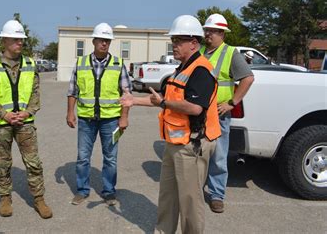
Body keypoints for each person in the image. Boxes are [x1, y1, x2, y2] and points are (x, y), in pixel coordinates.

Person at [120, 15, 221, 234]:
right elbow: (162, 98)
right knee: (168, 197)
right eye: (173, 39)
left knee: (190, 203)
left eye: (179, 40)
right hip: (175, 142)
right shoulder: (181, 69)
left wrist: (164, 102)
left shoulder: (201, 70)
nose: (173, 44)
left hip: (192, 145)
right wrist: (134, 100)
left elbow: (195, 108)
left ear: (194, 43)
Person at [0, 19, 53, 219]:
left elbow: (36, 93)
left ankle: (39, 198)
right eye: (15, 39)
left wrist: (28, 112)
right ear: (4, 40)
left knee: (33, 162)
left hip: (25, 123)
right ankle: (4, 197)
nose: (20, 43)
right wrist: (5, 114)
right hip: (0, 125)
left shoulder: (30, 64)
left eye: (21, 39)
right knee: (2, 164)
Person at [66, 22, 131, 206]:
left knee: (110, 158)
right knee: (83, 157)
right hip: (86, 120)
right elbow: (73, 91)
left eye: (108, 41)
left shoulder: (118, 64)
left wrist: (124, 117)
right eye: (101, 40)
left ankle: (109, 191)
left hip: (110, 121)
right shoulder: (81, 63)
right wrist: (70, 113)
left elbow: (127, 94)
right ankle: (82, 190)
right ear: (93, 41)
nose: (104, 44)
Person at [201, 13, 254, 213]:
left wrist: (232, 102)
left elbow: (248, 78)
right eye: (207, 31)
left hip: (218, 114)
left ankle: (216, 195)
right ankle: (197, 189)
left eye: (212, 31)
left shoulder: (231, 53)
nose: (208, 34)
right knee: (199, 154)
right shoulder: (200, 53)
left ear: (222, 33)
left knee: (219, 156)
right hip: (198, 114)